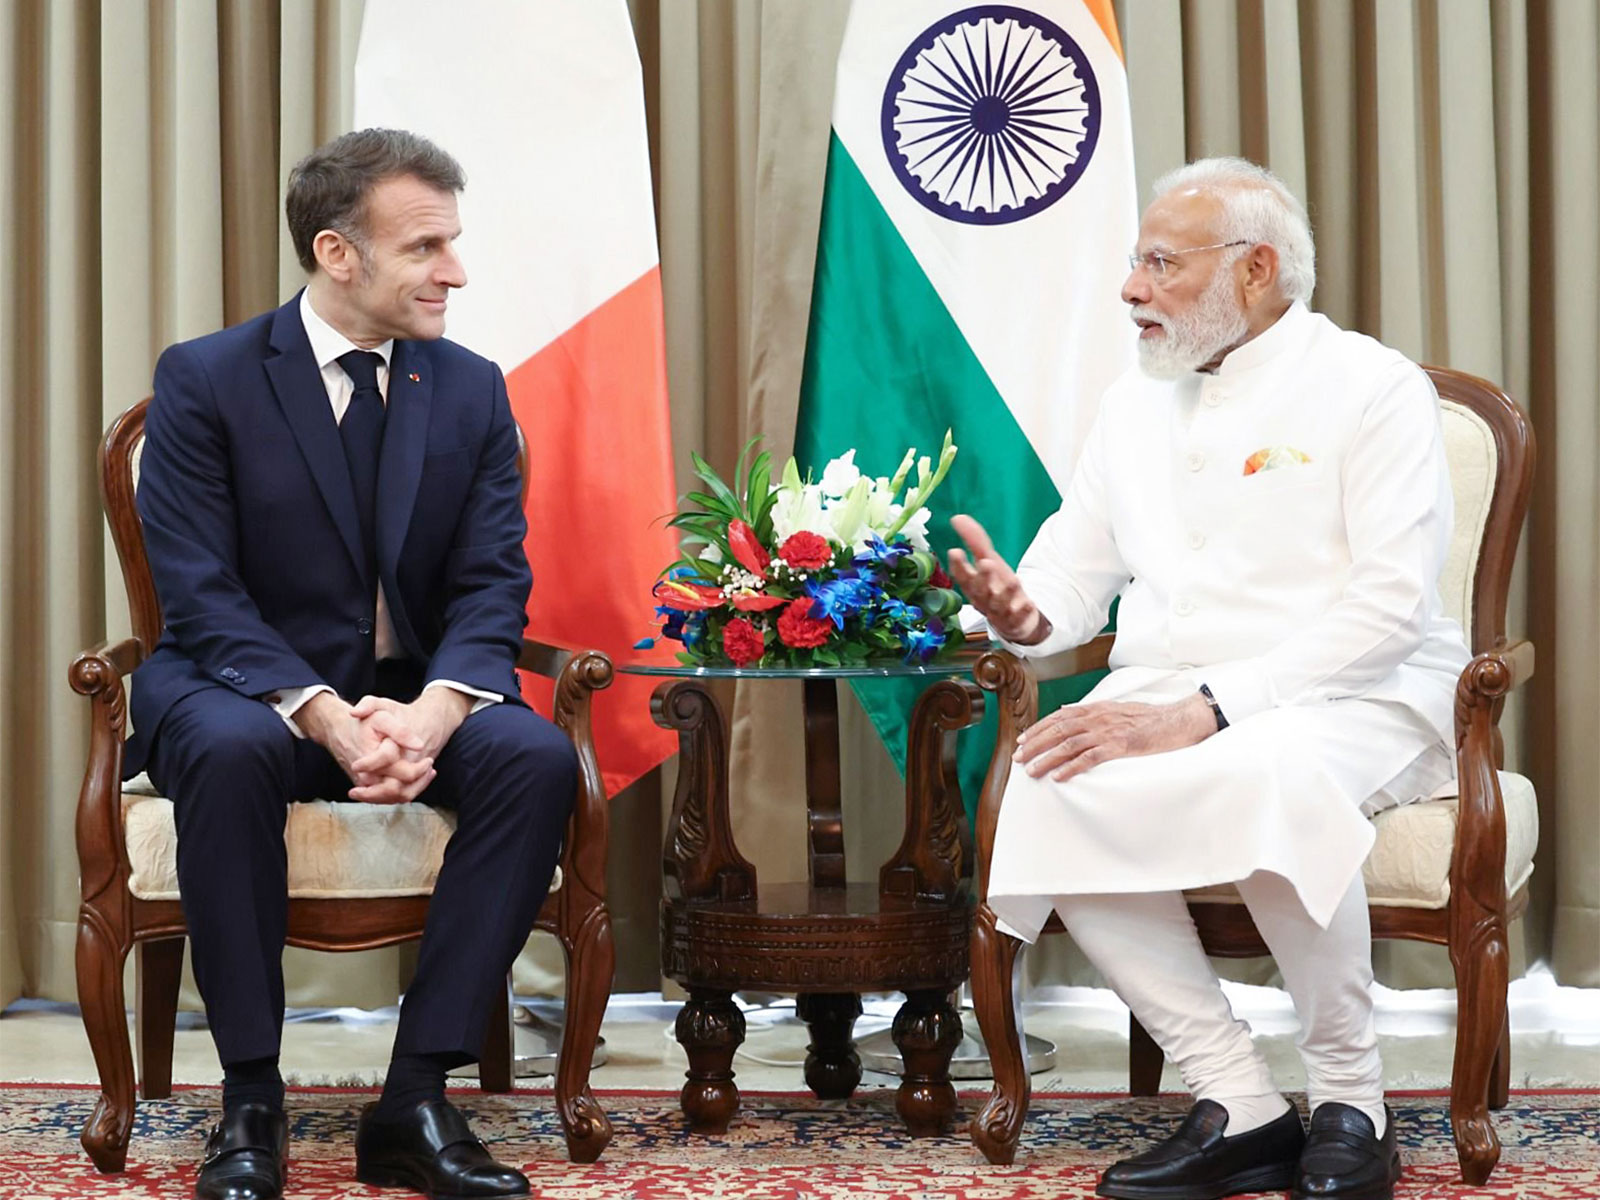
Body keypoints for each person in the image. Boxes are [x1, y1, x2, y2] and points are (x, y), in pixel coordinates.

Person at [948, 157, 1469, 1200]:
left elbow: (1387, 608)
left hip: (1353, 686)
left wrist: (1211, 709)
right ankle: (1237, 1098)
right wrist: (1021, 615)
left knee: (1268, 771)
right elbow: (1070, 582)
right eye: (1133, 262)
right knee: (1049, 781)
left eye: (1159, 263)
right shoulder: (1130, 407)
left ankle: (1350, 1101)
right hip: (1172, 684)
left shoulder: (1371, 387)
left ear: (1255, 269)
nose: (1131, 289)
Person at [125, 128, 576, 1200]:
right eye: (426, 247)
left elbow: (491, 583)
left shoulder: (469, 388)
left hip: (414, 689)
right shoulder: (208, 379)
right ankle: (248, 1103)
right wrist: (322, 712)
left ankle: (414, 1101)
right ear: (337, 254)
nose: (454, 271)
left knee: (536, 759)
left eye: (452, 245)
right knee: (231, 752)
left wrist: (438, 709)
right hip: (243, 689)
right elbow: (198, 588)